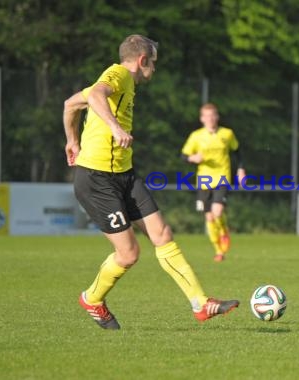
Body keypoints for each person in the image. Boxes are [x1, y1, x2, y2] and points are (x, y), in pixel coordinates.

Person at [63, 35, 239, 330]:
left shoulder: (126, 83)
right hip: (96, 178)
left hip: (124, 174)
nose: (154, 70)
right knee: (129, 253)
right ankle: (92, 299)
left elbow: (70, 104)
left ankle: (200, 303)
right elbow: (94, 97)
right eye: (153, 63)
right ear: (142, 61)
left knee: (162, 234)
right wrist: (115, 128)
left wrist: (72, 141)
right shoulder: (118, 74)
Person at [181, 103, 246, 262]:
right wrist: (192, 158)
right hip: (203, 181)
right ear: (202, 118)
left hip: (222, 178)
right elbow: (183, 155)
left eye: (213, 115)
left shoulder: (227, 133)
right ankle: (219, 251)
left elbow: (237, 151)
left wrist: (241, 169)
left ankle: (224, 231)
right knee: (209, 218)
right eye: (206, 116)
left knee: (217, 212)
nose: (210, 119)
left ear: (217, 117)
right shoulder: (196, 136)